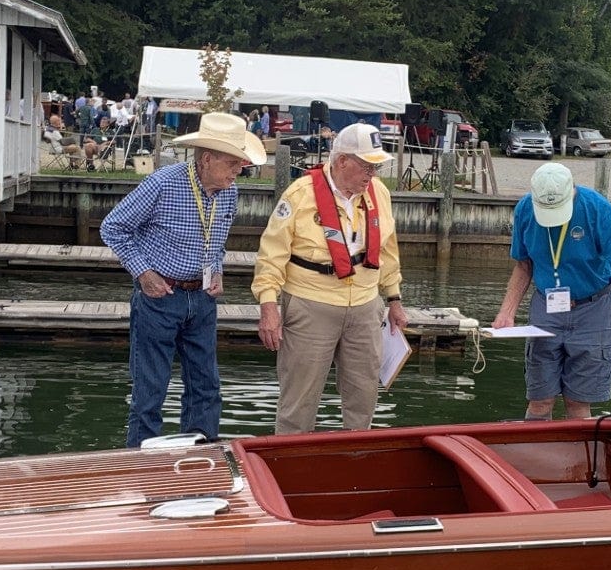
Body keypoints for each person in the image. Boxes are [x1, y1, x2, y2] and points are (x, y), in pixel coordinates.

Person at [99, 111, 265, 447]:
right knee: (150, 389)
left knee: (206, 386)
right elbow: (112, 227)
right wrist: (143, 272)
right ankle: (141, 466)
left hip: (202, 298)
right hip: (160, 297)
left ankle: (201, 459)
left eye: (241, 164)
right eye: (234, 163)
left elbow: (216, 241)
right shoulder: (161, 184)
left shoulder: (229, 192)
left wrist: (217, 268)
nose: (240, 170)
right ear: (207, 159)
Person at [253, 122, 406, 435]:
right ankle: (290, 468)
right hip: (311, 304)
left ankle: (355, 461)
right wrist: (269, 306)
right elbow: (272, 254)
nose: (372, 175)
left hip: (365, 304)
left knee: (364, 395)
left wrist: (394, 299)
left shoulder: (379, 193)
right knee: (299, 399)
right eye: (367, 166)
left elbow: (388, 249)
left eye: (376, 167)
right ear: (342, 162)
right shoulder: (300, 194)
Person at [491, 162, 611, 420]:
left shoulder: (598, 209)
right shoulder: (524, 209)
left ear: (572, 192)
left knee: (577, 403)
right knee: (539, 400)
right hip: (547, 308)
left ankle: (576, 459)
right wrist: (506, 313)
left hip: (595, 309)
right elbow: (524, 265)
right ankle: (533, 455)